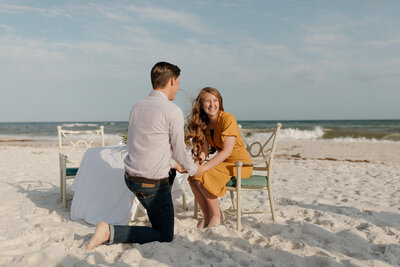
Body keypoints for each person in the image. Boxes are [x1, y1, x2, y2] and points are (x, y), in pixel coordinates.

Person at [85, 62, 201, 250]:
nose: (178, 88)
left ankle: (159, 211)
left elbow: (143, 145)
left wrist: (173, 164)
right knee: (165, 235)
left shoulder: (137, 107)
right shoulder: (172, 110)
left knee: (169, 177)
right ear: (172, 81)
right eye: (178, 83)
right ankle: (109, 231)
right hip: (151, 184)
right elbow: (180, 150)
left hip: (131, 179)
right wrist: (196, 170)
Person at [186, 87, 253, 228]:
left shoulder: (228, 118)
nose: (212, 104)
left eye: (215, 100)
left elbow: (227, 152)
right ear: (201, 104)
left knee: (204, 174)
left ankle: (217, 215)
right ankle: (207, 215)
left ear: (220, 102)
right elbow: (204, 151)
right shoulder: (203, 124)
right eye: (207, 101)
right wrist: (196, 165)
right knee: (193, 177)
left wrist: (203, 168)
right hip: (223, 163)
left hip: (241, 165)